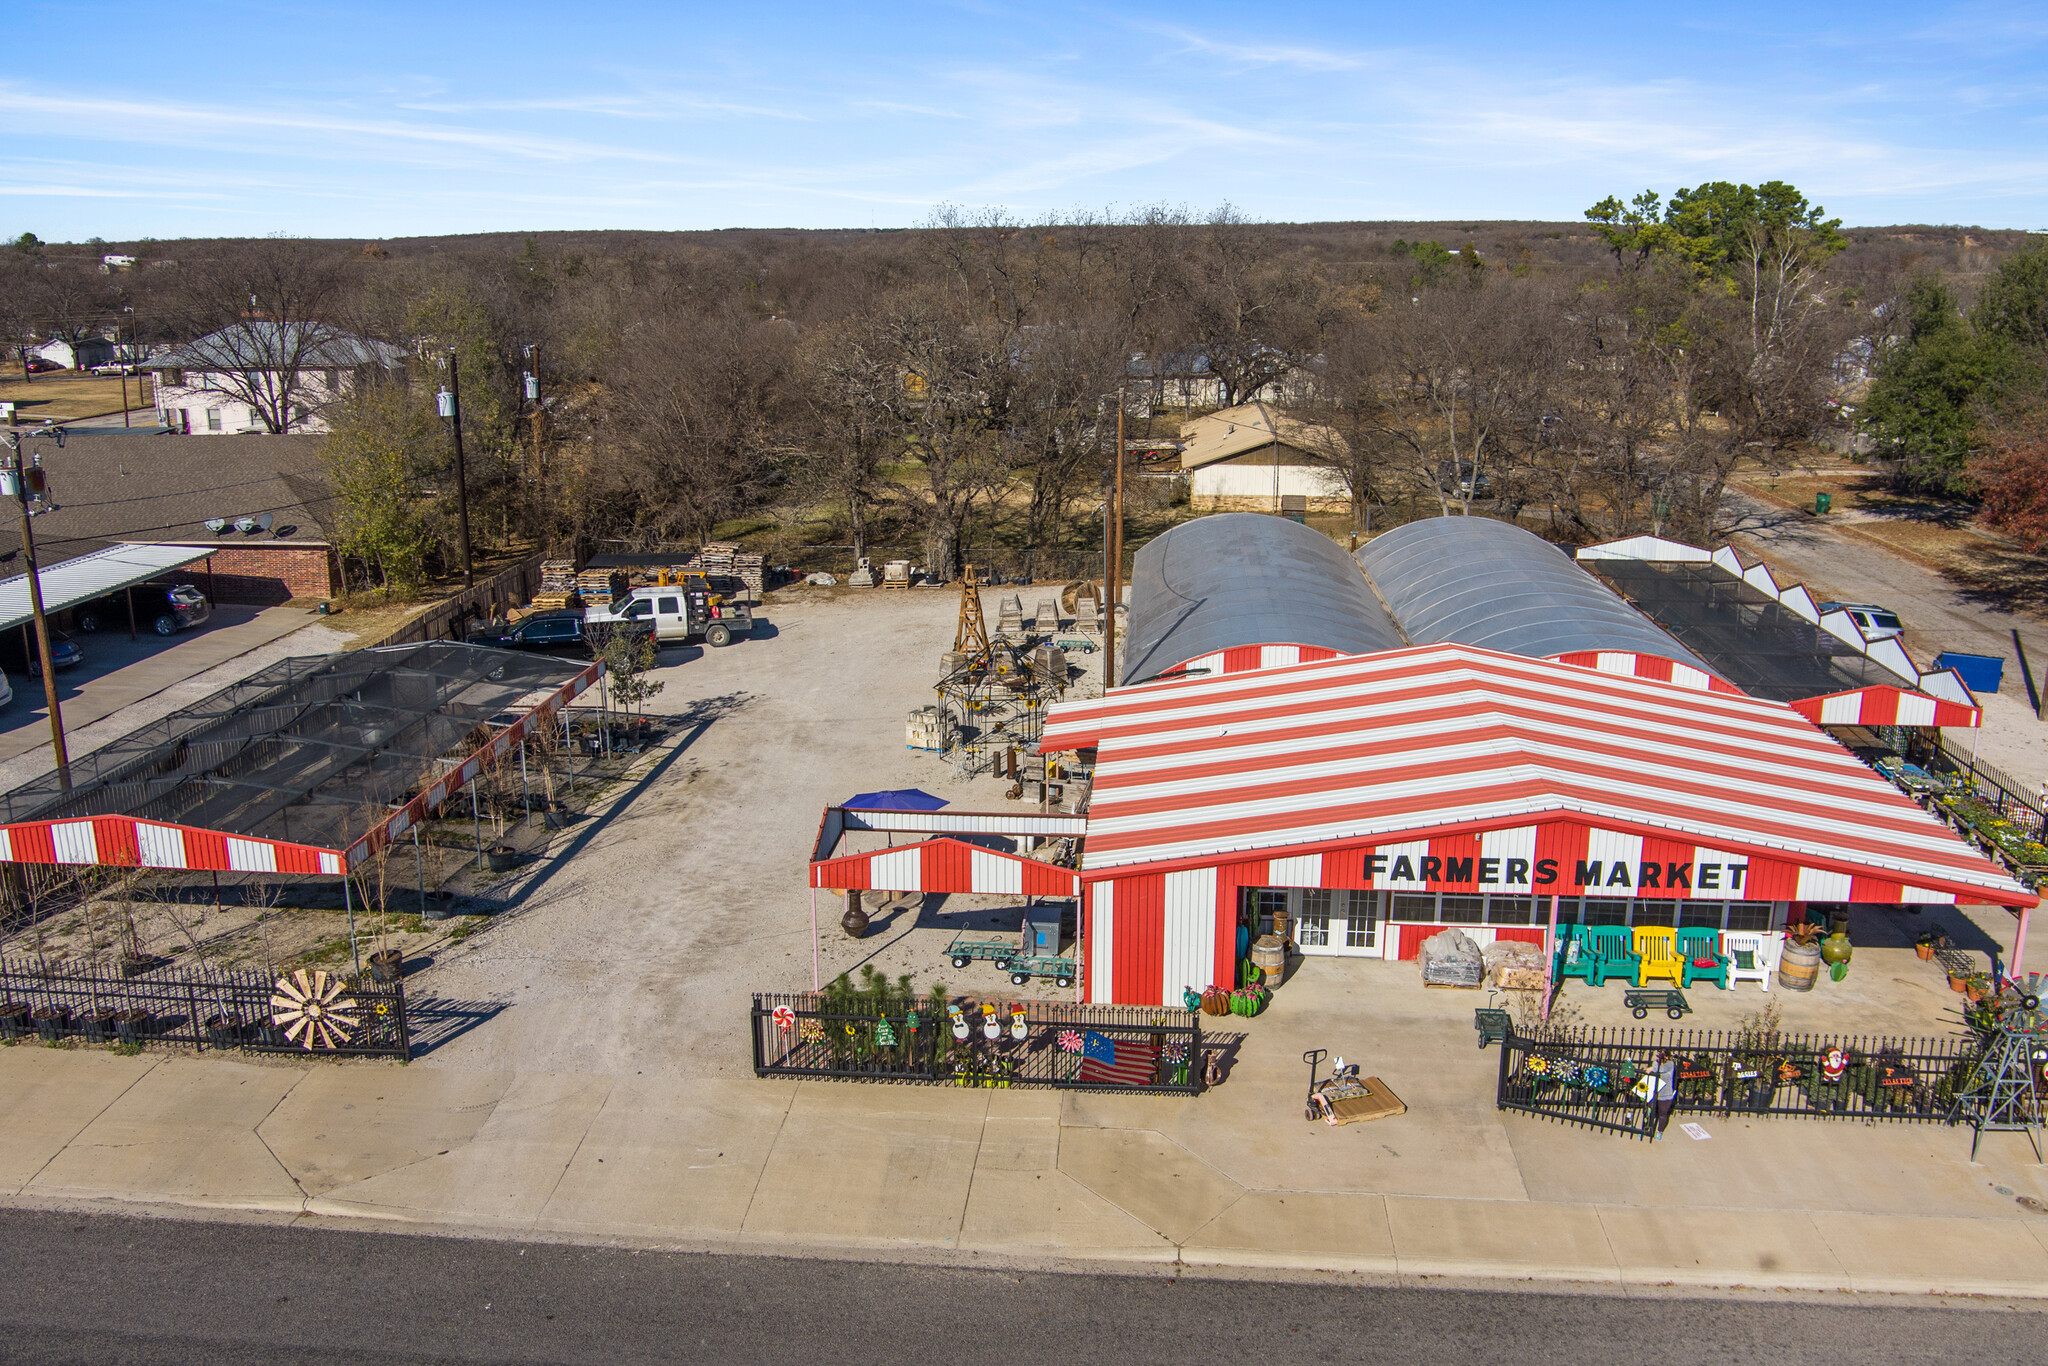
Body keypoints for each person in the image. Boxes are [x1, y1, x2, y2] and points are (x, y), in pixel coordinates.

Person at [1648, 1048, 1678, 1138]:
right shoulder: (1655, 1063)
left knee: (1663, 1114)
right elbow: (1656, 1068)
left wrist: (1652, 1068)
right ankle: (1648, 1128)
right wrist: (1654, 1065)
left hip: (1666, 1094)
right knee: (1650, 1111)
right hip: (1655, 1093)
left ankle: (1659, 1131)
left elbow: (1661, 1071)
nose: (1657, 1058)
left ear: (1666, 1057)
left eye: (1660, 1056)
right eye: (1657, 1055)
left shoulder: (1670, 1065)